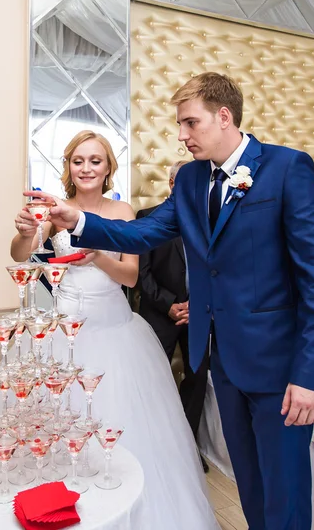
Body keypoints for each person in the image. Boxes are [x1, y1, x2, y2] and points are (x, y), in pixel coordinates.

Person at [26, 73, 314, 530]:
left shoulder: (287, 168)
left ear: (224, 116)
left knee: (285, 490)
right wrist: (78, 219)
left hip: (279, 367)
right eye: (180, 125)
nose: (181, 136)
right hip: (223, 362)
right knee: (249, 485)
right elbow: (143, 233)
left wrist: (311, 376)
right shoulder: (192, 180)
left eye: (190, 123)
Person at [13, 130, 220, 530]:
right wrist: (25, 233)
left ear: (108, 168)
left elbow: (129, 277)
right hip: (62, 333)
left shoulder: (123, 212)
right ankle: (56, 507)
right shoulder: (56, 209)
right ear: (68, 167)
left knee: (121, 430)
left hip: (114, 331)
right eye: (78, 160)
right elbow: (20, 258)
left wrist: (95, 257)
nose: (86, 168)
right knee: (54, 425)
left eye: (95, 160)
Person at [136, 161, 209, 472]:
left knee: (197, 380)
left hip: (199, 315)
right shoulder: (146, 218)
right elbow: (141, 273)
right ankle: (151, 445)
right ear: (171, 184)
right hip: (158, 314)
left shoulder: (212, 220)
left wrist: (199, 305)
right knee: (153, 381)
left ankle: (185, 446)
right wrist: (169, 305)